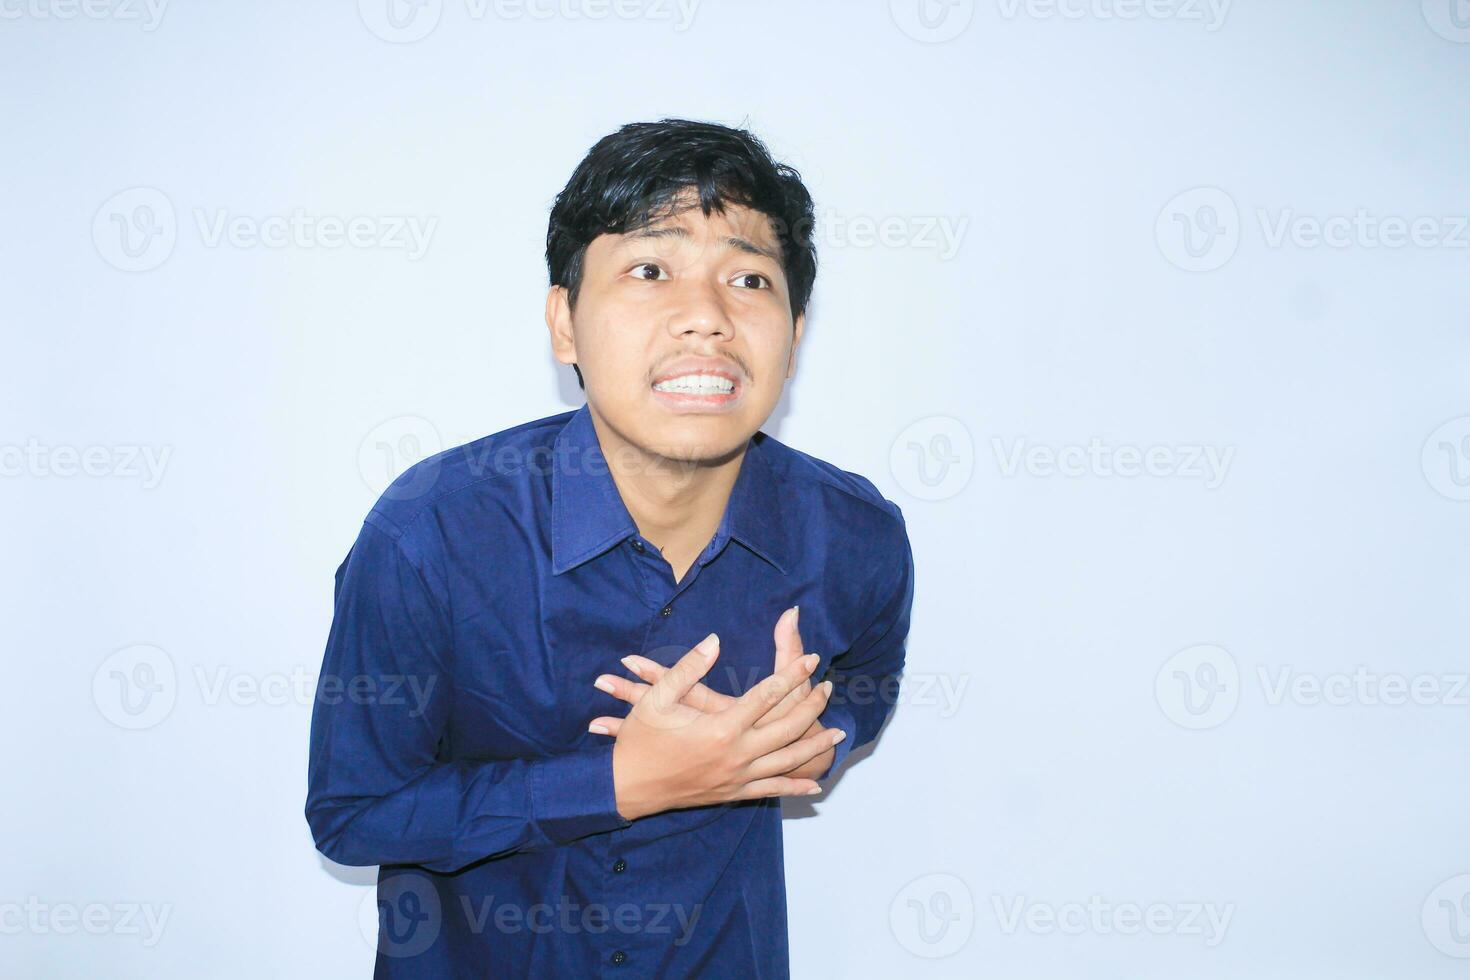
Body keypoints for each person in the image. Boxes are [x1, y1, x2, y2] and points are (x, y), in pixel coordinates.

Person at [305, 117, 916, 978]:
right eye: (650, 270)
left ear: (795, 329)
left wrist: (827, 733)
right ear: (566, 323)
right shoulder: (431, 534)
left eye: (748, 278)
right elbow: (355, 811)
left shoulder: (854, 533)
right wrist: (622, 784)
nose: (705, 317)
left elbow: (867, 678)